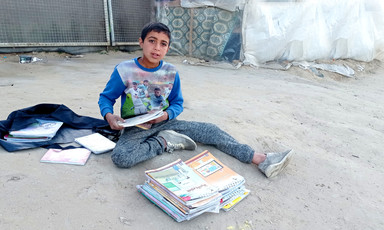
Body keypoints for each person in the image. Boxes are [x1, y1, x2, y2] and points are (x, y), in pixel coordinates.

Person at [98, 22, 293, 178]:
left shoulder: (170, 72)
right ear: (141, 42)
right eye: (152, 41)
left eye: (163, 43)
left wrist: (165, 115)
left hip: (166, 121)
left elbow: (177, 103)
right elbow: (106, 97)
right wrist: (109, 116)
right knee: (121, 158)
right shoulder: (124, 70)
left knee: (211, 130)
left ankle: (260, 158)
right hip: (135, 128)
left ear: (168, 48)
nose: (157, 48)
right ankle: (164, 142)